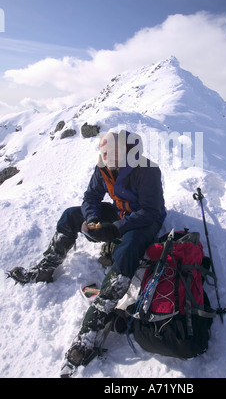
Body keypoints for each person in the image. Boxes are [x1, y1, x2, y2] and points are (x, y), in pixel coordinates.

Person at [8, 129, 167, 376]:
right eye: (106, 157)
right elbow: (91, 197)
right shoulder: (103, 165)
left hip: (144, 221)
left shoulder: (147, 170)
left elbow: (151, 211)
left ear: (127, 154)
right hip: (121, 214)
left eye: (114, 158)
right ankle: (47, 267)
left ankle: (91, 329)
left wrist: (115, 229)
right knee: (72, 215)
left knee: (127, 251)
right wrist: (93, 220)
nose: (108, 162)